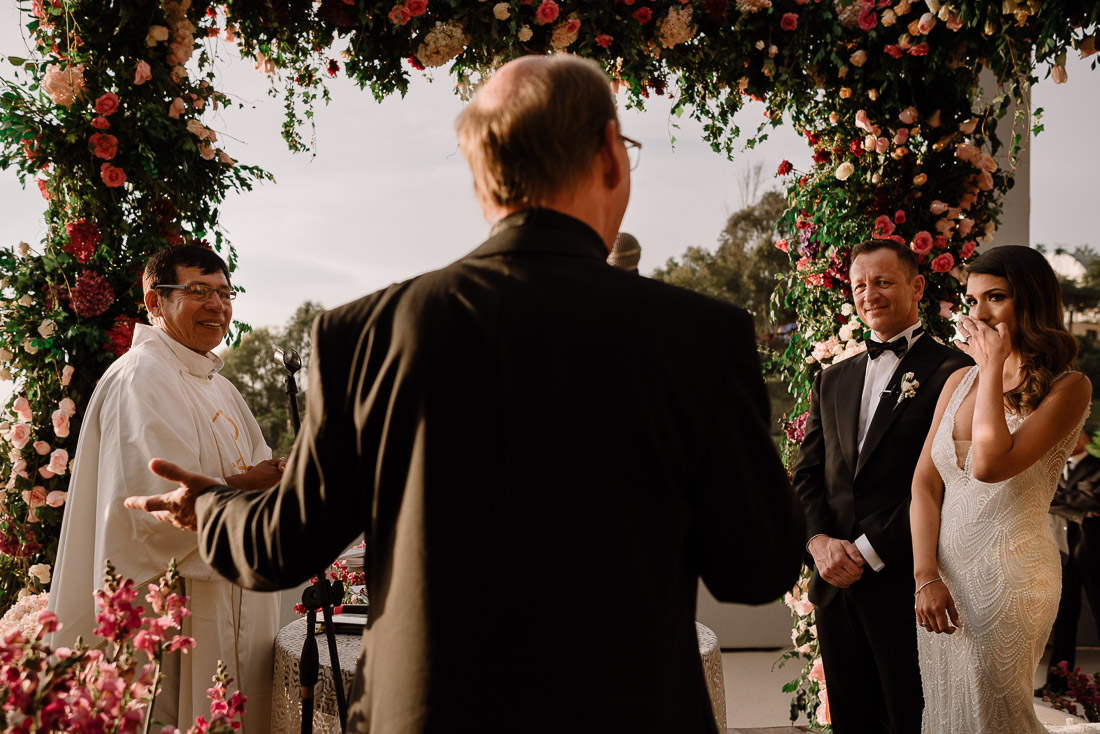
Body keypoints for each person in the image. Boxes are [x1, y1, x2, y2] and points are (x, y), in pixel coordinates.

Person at [124, 55, 806, 733]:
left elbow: (282, 547)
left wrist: (207, 506)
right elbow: (756, 567)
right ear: (609, 154)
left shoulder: (362, 332)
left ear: (480, 179)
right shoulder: (699, 335)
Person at [47, 244, 283, 732]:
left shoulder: (220, 385)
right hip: (180, 616)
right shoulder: (141, 376)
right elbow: (144, 506)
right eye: (197, 291)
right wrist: (243, 485)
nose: (217, 305)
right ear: (154, 301)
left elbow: (262, 473)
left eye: (224, 292)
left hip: (233, 599)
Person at [912, 245, 1094, 733]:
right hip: (943, 582)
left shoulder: (1069, 387)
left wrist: (991, 368)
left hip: (1013, 578)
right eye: (972, 300)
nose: (980, 313)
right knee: (948, 714)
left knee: (995, 718)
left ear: (1030, 302)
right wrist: (925, 575)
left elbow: (992, 466)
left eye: (996, 297)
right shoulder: (956, 382)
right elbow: (924, 484)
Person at [792, 238, 972, 733]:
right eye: (860, 285)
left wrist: (867, 550)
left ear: (916, 286)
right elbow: (808, 475)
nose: (869, 293)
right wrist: (819, 543)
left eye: (883, 281)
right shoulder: (830, 380)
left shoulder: (954, 373)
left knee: (909, 720)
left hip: (905, 583)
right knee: (852, 722)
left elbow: (948, 482)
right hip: (832, 585)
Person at [1040, 430, 1100, 697]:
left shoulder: (1096, 468)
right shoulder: (1051, 470)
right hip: (1062, 557)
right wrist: (1081, 507)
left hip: (1094, 556)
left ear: (1085, 440)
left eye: (1076, 437)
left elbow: (1094, 500)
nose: (1070, 441)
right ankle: (1057, 683)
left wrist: (1059, 498)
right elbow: (1043, 499)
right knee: (1063, 621)